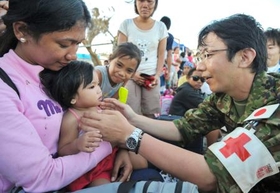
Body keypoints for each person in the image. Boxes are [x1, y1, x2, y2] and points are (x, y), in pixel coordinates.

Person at [80, 14, 280, 193]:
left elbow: (210, 177)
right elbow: (184, 128)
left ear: (244, 57)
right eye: (200, 56)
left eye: (208, 55)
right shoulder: (224, 97)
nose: (199, 67)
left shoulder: (275, 105)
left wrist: (130, 135)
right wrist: (133, 118)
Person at [0, 0, 132, 192]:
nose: (73, 55)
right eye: (64, 45)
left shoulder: (54, 73)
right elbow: (42, 177)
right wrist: (110, 145)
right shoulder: (6, 87)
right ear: (22, 31)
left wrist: (122, 148)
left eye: (77, 44)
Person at [40, 61, 120, 191]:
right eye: (92, 87)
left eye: (98, 84)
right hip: (93, 169)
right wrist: (77, 144)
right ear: (72, 97)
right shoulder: (71, 119)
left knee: (140, 159)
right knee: (104, 187)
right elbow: (63, 150)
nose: (99, 90)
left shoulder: (99, 106)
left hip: (110, 155)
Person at [117, 0, 168, 118]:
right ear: (136, 2)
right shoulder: (126, 24)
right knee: (129, 113)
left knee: (150, 114)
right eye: (141, 0)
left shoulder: (161, 27)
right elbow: (121, 53)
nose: (145, 5)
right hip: (129, 76)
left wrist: (157, 75)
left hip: (151, 77)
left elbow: (161, 55)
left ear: (155, 4)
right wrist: (132, 74)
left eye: (149, 1)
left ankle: (147, 137)